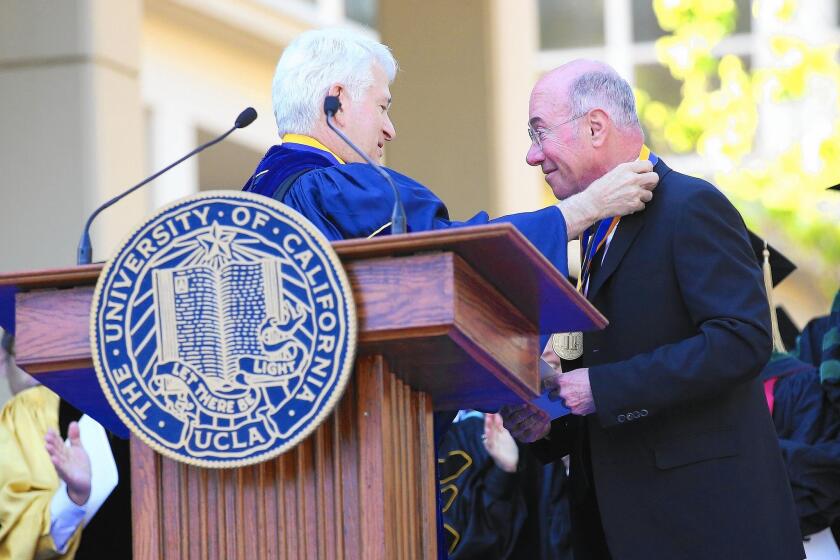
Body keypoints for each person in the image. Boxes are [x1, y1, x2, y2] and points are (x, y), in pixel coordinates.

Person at [501, 60, 804, 560]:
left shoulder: (690, 206)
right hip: (616, 529)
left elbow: (742, 339)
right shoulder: (595, 232)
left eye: (539, 133)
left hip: (703, 526)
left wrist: (600, 388)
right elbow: (592, 371)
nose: (532, 156)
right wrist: (550, 420)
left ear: (595, 126)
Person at [243, 29, 658, 275]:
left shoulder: (244, 206)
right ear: (337, 101)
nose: (390, 128)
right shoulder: (338, 188)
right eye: (383, 106)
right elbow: (457, 255)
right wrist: (586, 208)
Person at [0, 331, 120, 559]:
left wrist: (73, 497)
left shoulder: (25, 409)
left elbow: (18, 543)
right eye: (31, 352)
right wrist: (74, 496)